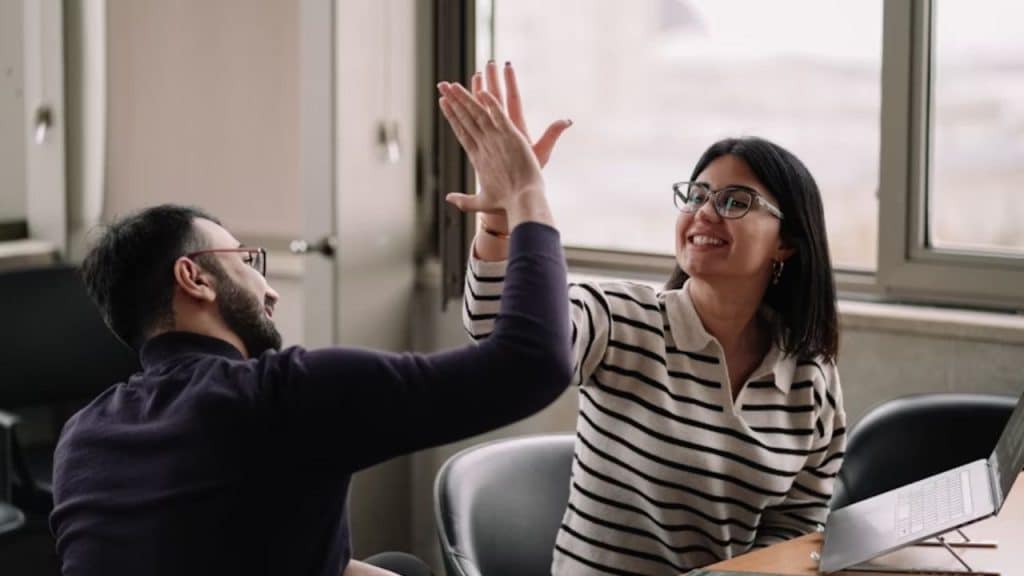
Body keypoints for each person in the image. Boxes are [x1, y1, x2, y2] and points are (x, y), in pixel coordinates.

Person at [49, 81, 572, 576]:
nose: (269, 289)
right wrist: (526, 193)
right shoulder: (282, 396)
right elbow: (532, 364)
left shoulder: (82, 436)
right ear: (194, 278)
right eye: (248, 260)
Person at [454, 61, 845, 575]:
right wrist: (505, 214)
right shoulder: (622, 321)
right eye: (697, 195)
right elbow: (502, 336)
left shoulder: (809, 376)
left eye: (734, 201)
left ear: (787, 245)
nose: (704, 212)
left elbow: (798, 523)